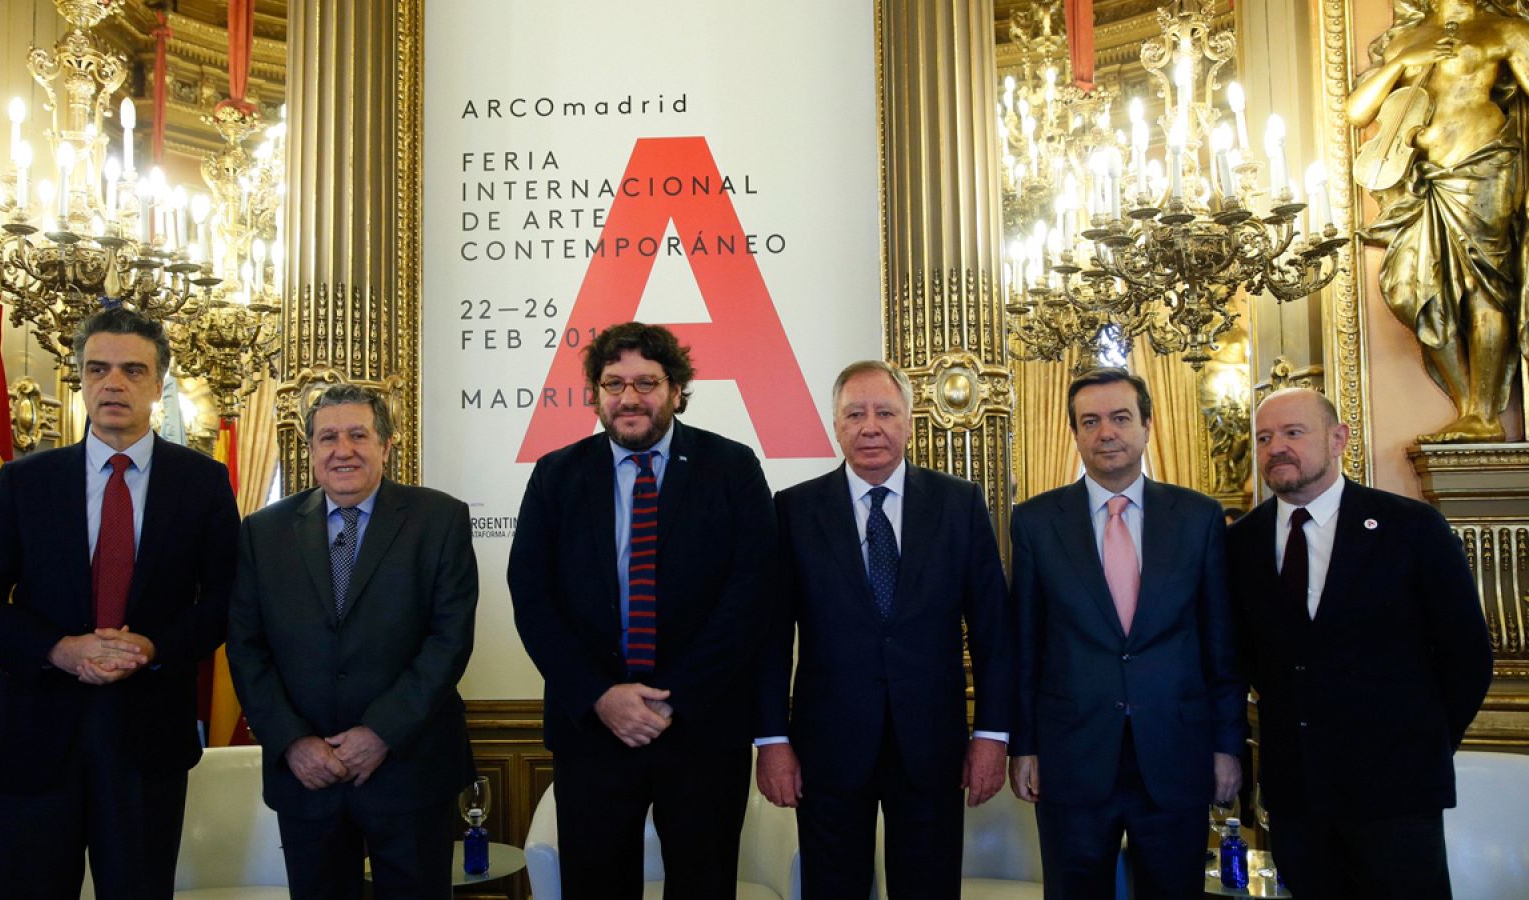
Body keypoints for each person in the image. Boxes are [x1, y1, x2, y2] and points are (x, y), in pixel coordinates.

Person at [0, 307, 239, 899]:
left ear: (159, 383)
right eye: (98, 369)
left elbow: (229, 600)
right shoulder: (25, 481)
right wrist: (58, 649)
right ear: (80, 379)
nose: (113, 383)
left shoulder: (202, 483)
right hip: (33, 741)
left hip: (146, 744)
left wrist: (154, 647)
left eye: (133, 370)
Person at [508, 321, 776, 900]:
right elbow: (531, 596)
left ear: (675, 390)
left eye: (646, 383)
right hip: (593, 731)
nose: (629, 397)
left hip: (703, 729)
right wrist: (600, 696)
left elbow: (751, 595)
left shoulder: (732, 467)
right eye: (614, 383)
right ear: (596, 394)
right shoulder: (556, 474)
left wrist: (672, 698)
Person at [755, 360, 1011, 899]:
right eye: (855, 414)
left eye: (885, 413)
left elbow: (994, 630)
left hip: (933, 744)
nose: (870, 427)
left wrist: (992, 734)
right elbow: (770, 638)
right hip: (828, 747)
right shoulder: (794, 510)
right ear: (835, 424)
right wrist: (772, 740)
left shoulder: (960, 504)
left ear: (909, 422)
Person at [1228, 387, 1493, 898]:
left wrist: (1422, 745)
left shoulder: (1410, 527)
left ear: (1338, 439)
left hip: (1397, 795)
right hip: (1297, 798)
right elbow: (1239, 660)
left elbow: (1467, 657)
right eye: (1263, 437)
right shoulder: (1239, 544)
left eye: (1293, 432)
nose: (1276, 447)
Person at [227, 384, 478, 899]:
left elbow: (449, 640)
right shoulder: (263, 531)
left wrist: (381, 732)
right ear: (311, 449)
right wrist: (293, 742)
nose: (343, 450)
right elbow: (246, 647)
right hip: (306, 776)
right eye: (328, 438)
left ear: (386, 445)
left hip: (410, 768)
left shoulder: (439, 519)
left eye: (358, 435)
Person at [1008, 367, 1246, 899]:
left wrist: (1227, 747)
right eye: (1090, 422)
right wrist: (1024, 747)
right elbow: (1024, 645)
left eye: (1119, 418)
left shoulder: (1199, 518)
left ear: (1147, 426)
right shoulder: (1036, 522)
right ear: (1074, 433)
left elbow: (1220, 644)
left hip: (1175, 751)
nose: (1106, 433)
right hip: (1073, 756)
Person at [1349, 0, 1529, 442]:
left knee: (1485, 285)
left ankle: (1483, 415)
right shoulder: (1408, 38)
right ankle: (1467, 403)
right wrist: (1402, 64)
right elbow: (1357, 112)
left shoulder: (1504, 29)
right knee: (1407, 290)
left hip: (1485, 166)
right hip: (1425, 179)